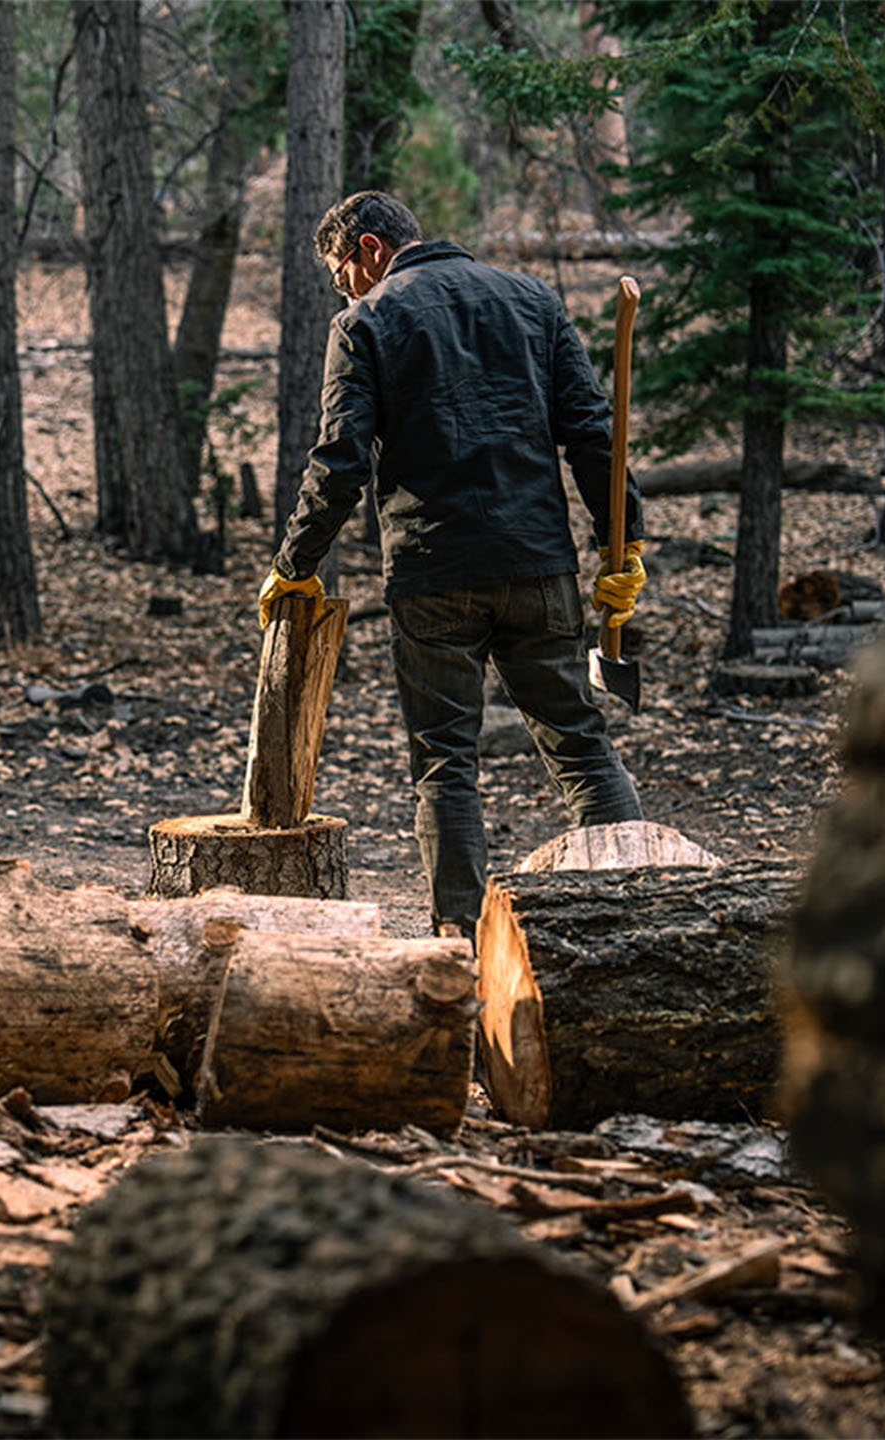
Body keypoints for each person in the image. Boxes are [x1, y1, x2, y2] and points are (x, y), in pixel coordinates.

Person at [260, 190, 647, 939]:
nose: (346, 289)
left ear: (369, 248)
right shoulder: (532, 301)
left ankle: (459, 949)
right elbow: (596, 434)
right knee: (581, 748)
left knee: (444, 764)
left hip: (432, 574)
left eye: (343, 273)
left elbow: (340, 461)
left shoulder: (365, 322)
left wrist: (295, 564)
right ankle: (632, 919)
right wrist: (621, 540)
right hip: (538, 565)